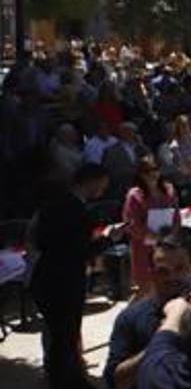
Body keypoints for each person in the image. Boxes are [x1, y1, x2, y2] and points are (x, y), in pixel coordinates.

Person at [30, 163, 110, 389]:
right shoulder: (75, 209)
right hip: (63, 281)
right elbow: (78, 250)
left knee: (62, 336)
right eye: (102, 184)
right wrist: (108, 239)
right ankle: (65, 381)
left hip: (49, 277)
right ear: (92, 180)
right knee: (64, 336)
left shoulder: (54, 205)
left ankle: (68, 378)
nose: (103, 190)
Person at [104, 227, 191, 389]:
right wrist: (161, 340)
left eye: (180, 268)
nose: (172, 277)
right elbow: (116, 381)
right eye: (163, 271)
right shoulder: (131, 317)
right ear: (151, 272)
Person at [124, 155, 180, 295]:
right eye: (146, 171)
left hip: (166, 245)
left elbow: (176, 216)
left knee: (166, 286)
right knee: (145, 291)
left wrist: (172, 236)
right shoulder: (134, 195)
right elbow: (132, 223)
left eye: (154, 169)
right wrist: (152, 236)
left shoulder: (169, 190)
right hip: (143, 248)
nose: (151, 174)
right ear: (140, 174)